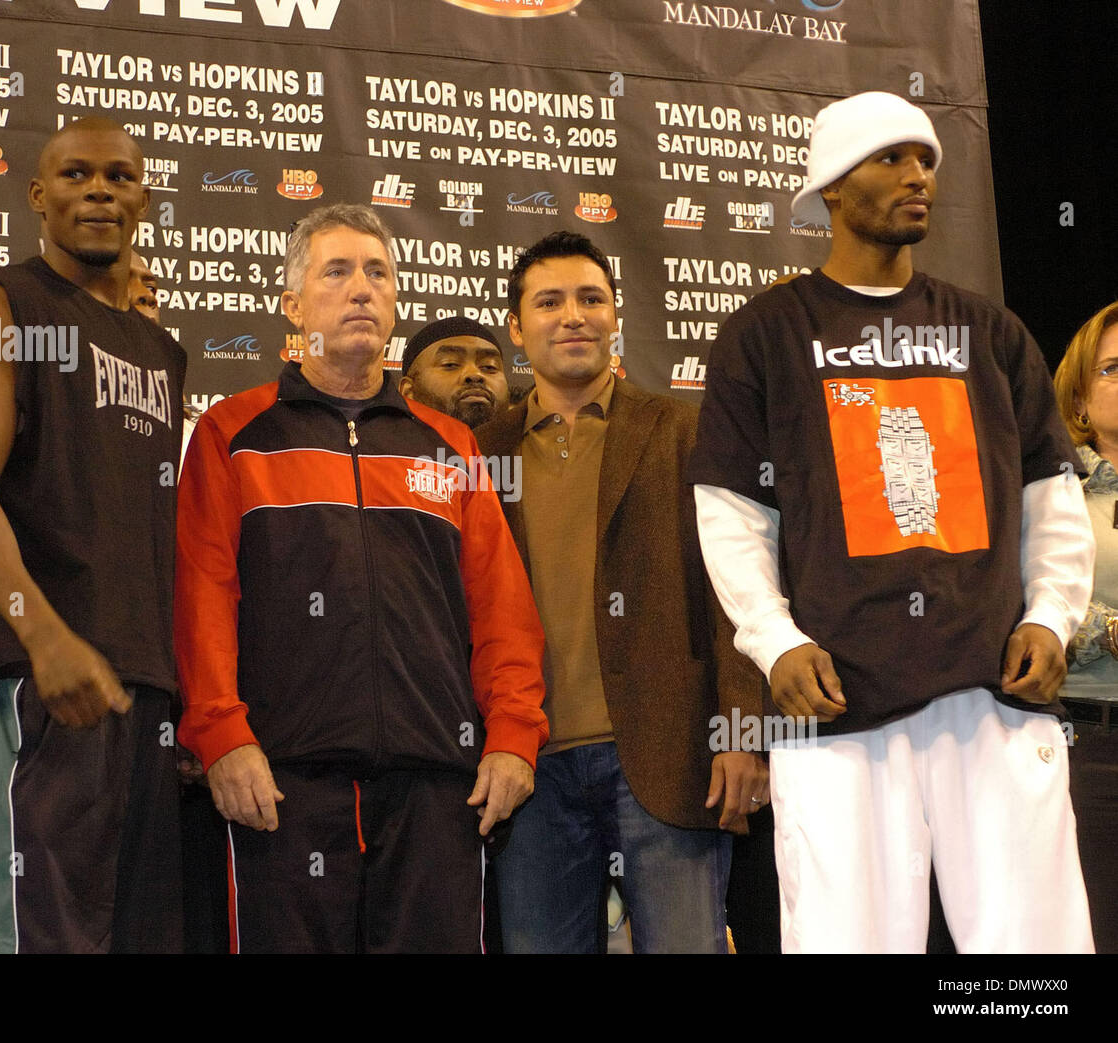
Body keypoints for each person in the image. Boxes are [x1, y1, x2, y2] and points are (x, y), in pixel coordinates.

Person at [689, 90, 1095, 953]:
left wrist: (1050, 615)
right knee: (848, 939)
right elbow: (732, 512)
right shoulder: (765, 334)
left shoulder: (987, 329)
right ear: (832, 187)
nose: (919, 176)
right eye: (893, 159)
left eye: (926, 161)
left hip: (992, 686)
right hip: (839, 694)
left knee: (1032, 945)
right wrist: (776, 641)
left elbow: (1049, 492)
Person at [174, 203, 547, 954]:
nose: (361, 289)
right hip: (280, 786)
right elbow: (202, 594)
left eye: (377, 272)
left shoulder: (449, 444)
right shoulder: (232, 433)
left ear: (396, 300)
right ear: (292, 305)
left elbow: (500, 606)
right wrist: (220, 734)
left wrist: (512, 733)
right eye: (337, 271)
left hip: (440, 785)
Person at [0, 116, 187, 954]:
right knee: (28, 940)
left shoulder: (161, 349)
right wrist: (41, 634)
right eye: (77, 175)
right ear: (39, 196)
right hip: (37, 689)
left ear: (143, 196)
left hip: (140, 696)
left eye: (119, 176)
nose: (100, 191)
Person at [475, 230, 767, 953]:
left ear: (615, 316)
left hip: (670, 757)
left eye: (590, 298)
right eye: (549, 302)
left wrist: (742, 733)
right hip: (528, 768)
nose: (573, 315)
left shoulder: (684, 430)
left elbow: (735, 591)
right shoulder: (481, 452)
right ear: (517, 327)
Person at [1053, 300, 1118, 954]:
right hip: (1090, 754)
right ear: (1078, 395)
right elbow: (1029, 605)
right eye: (1114, 368)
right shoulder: (1054, 491)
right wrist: (1111, 630)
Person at [399, 316, 510, 427]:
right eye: (450, 364)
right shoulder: (386, 443)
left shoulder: (526, 443)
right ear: (408, 392)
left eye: (489, 367)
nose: (475, 374)